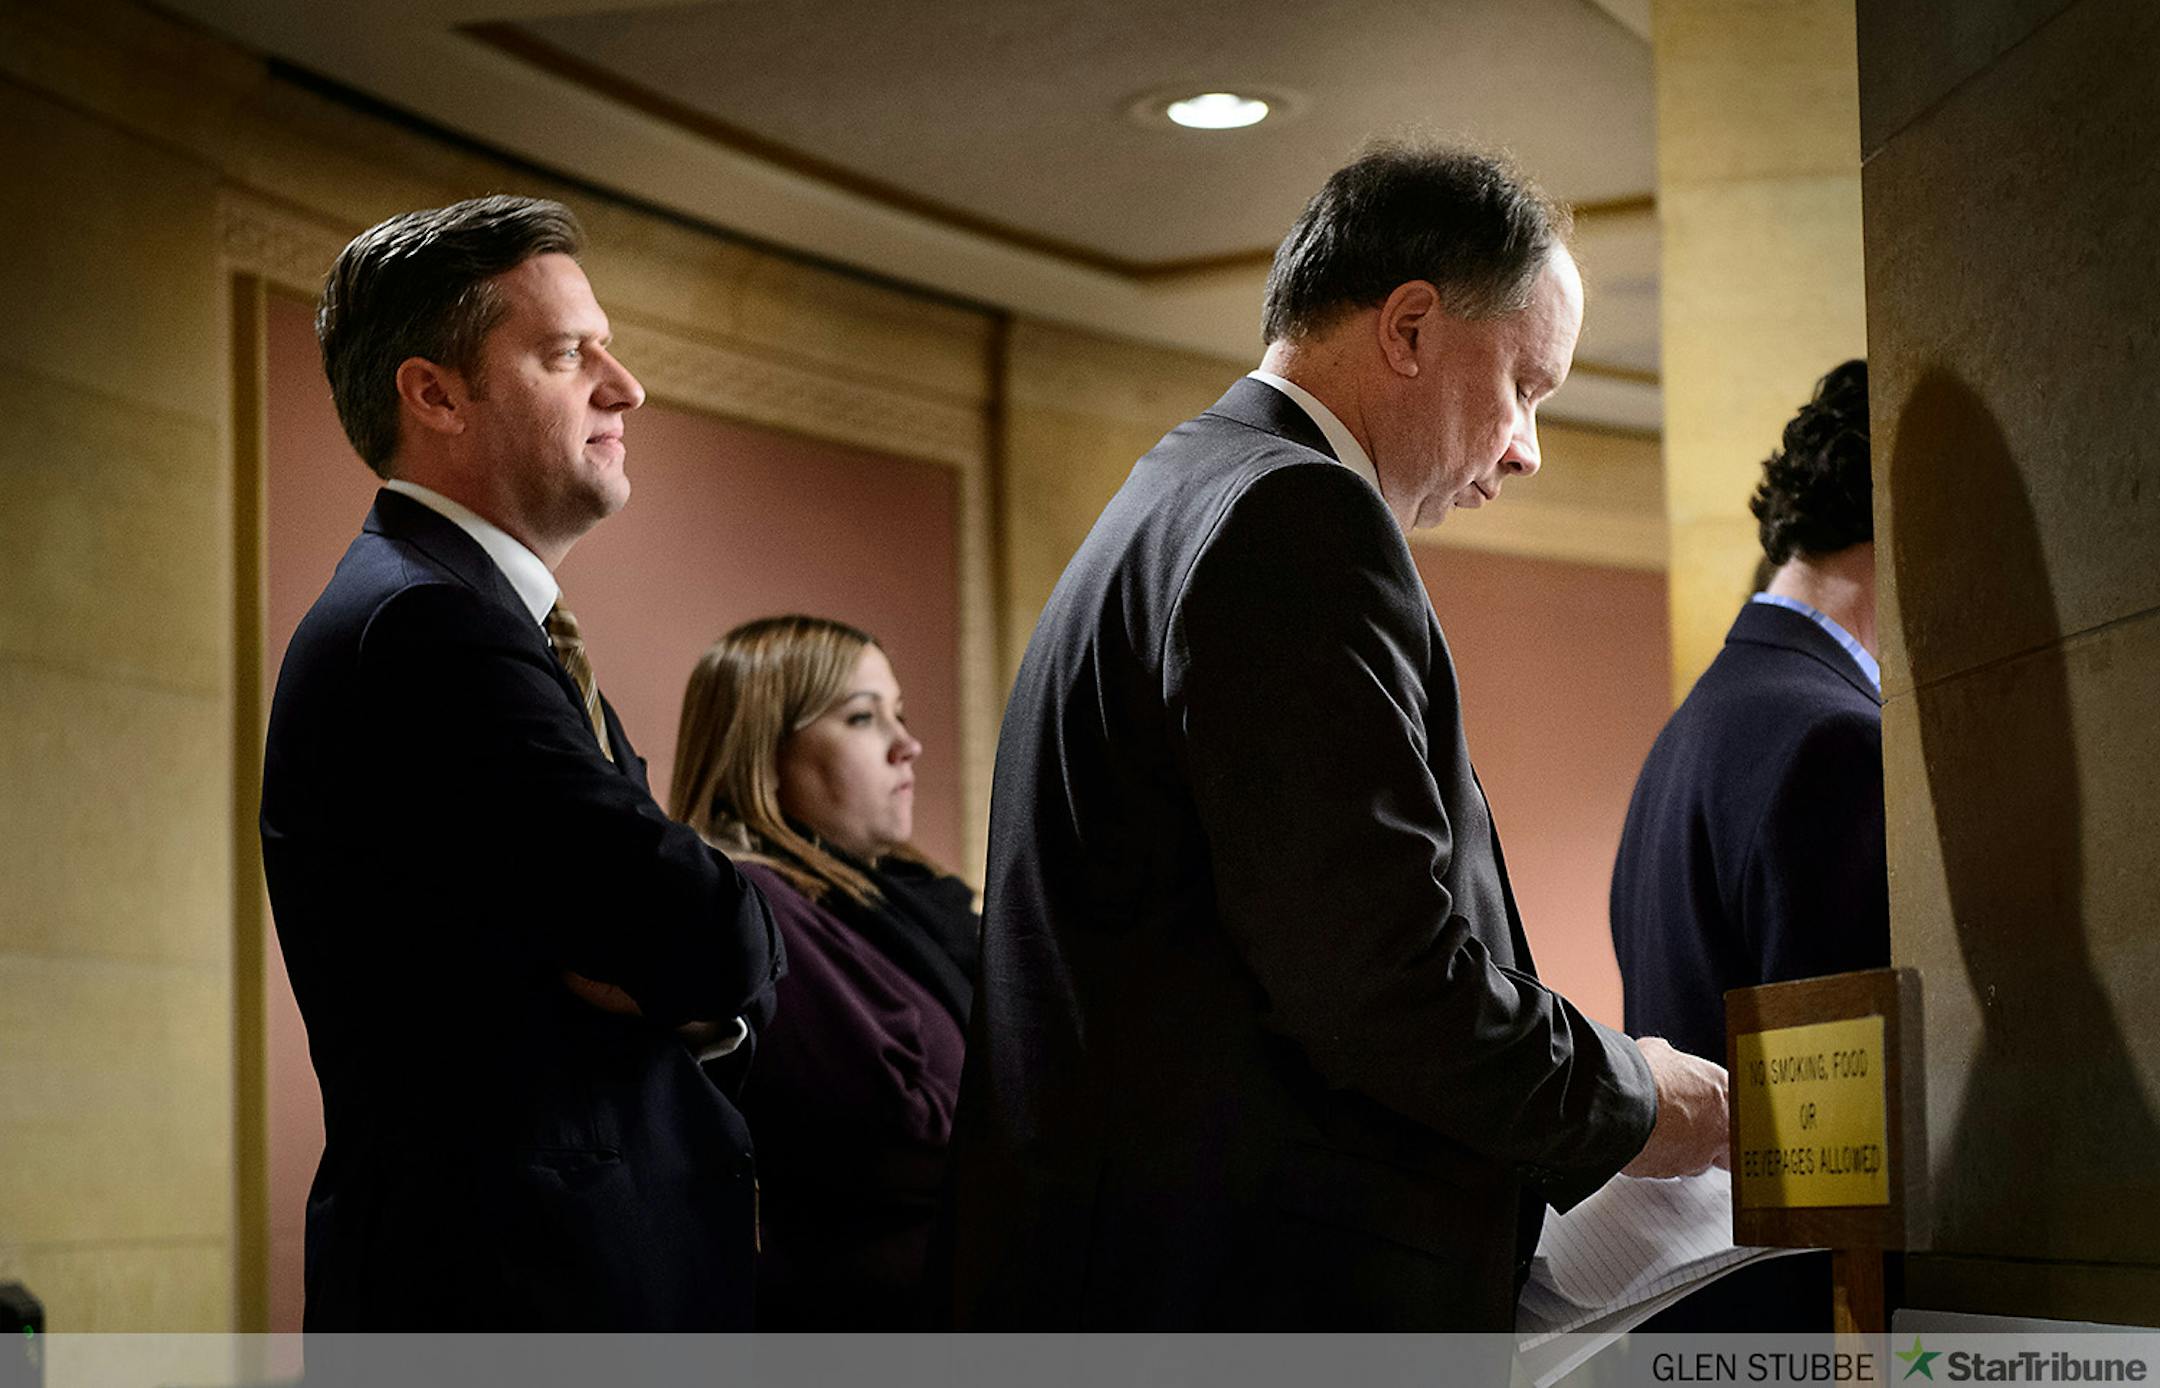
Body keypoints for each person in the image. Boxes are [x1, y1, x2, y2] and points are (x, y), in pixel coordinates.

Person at [947, 142, 1729, 1331]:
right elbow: (1378, 976)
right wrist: (1639, 1095)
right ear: (1410, 328)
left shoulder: (1184, 490)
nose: (1524, 447)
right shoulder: (1294, 514)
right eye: (1526, 385)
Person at [259, 195, 782, 1329]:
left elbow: (675, 942)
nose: (624, 385)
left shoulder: (473, 618)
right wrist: (684, 960)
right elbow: (707, 930)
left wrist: (668, 970)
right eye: (565, 353)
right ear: (434, 393)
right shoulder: (423, 630)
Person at [1609, 359, 1887, 1331]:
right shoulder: (1836, 737)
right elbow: (1844, 1151)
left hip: (1696, 1315)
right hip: (1797, 1324)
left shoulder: (1690, 729)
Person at [668, 616, 980, 1328]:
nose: (909, 745)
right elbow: (903, 1137)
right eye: (864, 718)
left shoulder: (897, 898)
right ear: (763, 751)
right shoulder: (754, 903)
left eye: (898, 714)